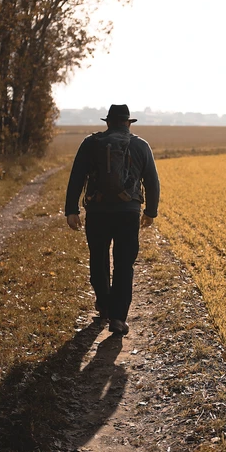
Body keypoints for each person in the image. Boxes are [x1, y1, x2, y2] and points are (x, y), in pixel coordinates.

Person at [65, 104, 160, 335]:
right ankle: (118, 317)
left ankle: (104, 305)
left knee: (98, 258)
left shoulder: (91, 143)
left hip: (97, 212)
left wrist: (71, 210)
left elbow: (77, 176)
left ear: (107, 122)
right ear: (128, 122)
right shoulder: (141, 145)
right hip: (128, 212)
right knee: (124, 263)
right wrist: (150, 212)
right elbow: (152, 181)